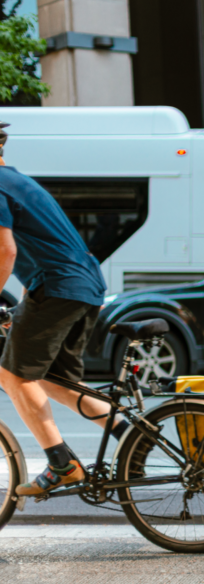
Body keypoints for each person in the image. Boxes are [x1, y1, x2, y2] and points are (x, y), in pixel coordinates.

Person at [0, 121, 129, 497]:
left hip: (59, 288)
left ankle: (61, 465)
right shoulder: (19, 182)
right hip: (85, 286)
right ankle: (132, 436)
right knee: (54, 380)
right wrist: (23, 309)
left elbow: (6, 251)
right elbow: (43, 249)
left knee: (12, 376)